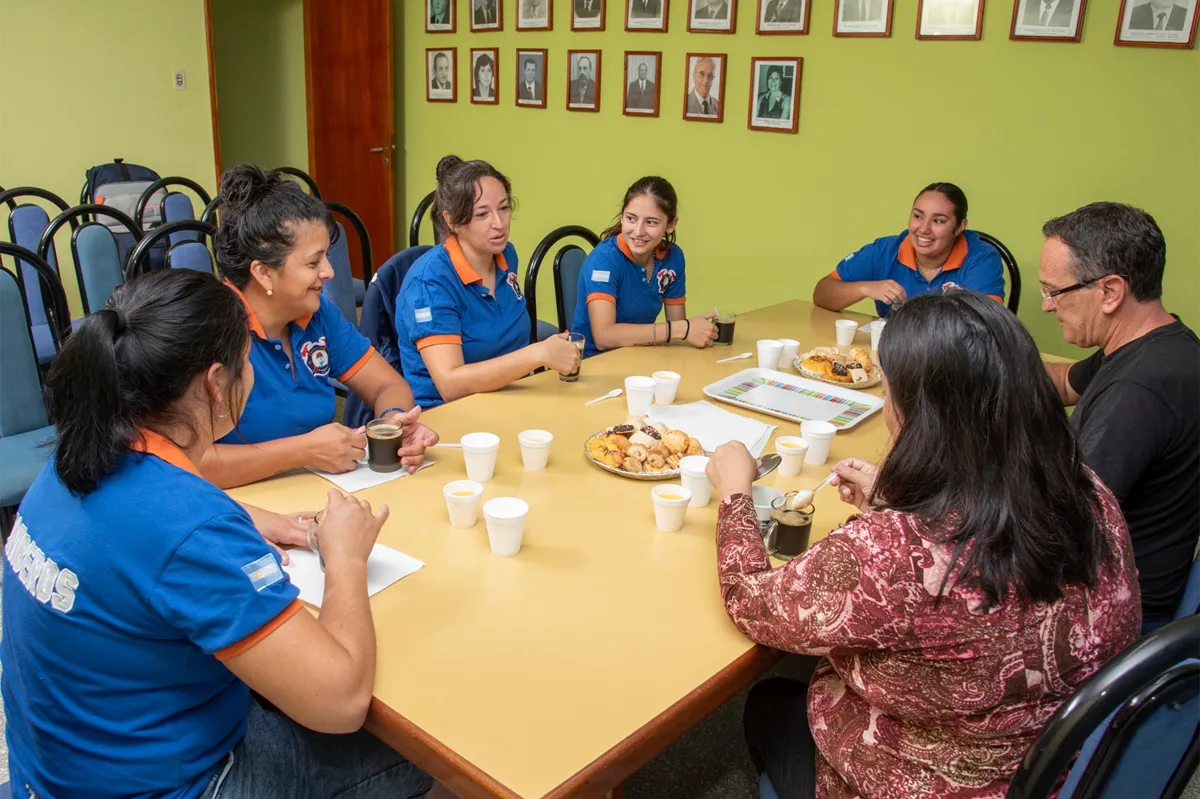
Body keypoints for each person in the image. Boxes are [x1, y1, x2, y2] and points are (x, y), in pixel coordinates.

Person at [1, 269, 434, 799]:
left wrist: (252, 518)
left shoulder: (78, 456)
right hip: (174, 785)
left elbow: (139, 530)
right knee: (421, 746)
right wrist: (345, 557)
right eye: (247, 362)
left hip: (53, 771)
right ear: (214, 382)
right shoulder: (190, 526)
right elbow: (339, 705)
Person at [705, 291, 1141, 799]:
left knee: (768, 703)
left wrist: (736, 494)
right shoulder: (1088, 490)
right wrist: (894, 498)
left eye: (890, 394)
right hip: (1059, 766)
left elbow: (749, 602)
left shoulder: (891, 553)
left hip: (928, 781)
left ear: (918, 411)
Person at [203, 165, 438, 492]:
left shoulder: (315, 314)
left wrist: (391, 423)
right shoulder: (207, 330)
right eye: (313, 263)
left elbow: (389, 387)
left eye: (326, 257)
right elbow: (191, 463)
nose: (329, 272)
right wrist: (302, 450)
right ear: (263, 272)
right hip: (240, 506)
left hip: (315, 491)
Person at [1039, 202, 1199, 631]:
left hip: (1114, 613)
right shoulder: (1154, 345)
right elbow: (1063, 382)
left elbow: (1059, 529)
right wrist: (976, 360)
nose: (1046, 307)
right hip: (1108, 575)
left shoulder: (1138, 393)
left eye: (1054, 291)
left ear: (1110, 291)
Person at [395, 156, 580, 409]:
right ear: (452, 221)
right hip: (448, 414)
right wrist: (538, 353)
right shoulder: (430, 283)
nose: (499, 223)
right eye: (482, 214)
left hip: (512, 396)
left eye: (504, 208)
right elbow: (450, 385)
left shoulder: (506, 256)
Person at [569, 177, 718, 358]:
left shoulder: (673, 258)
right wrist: (683, 329)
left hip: (641, 356)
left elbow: (677, 328)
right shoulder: (604, 260)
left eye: (651, 222)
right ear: (622, 216)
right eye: (631, 218)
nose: (638, 231)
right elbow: (604, 337)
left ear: (671, 225)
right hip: (595, 362)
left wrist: (688, 330)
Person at [813, 182, 1006, 317]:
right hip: (894, 358)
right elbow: (822, 293)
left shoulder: (982, 259)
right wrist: (866, 287)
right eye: (918, 216)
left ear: (959, 227)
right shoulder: (885, 251)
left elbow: (986, 325)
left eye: (938, 221)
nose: (923, 229)